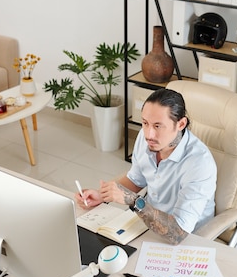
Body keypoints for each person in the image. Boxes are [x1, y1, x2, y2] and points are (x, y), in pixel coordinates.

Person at [76, 87, 217, 244]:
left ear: (181, 124)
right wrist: (101, 196)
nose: (149, 134)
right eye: (145, 123)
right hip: (148, 222)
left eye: (158, 126)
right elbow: (136, 180)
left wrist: (133, 201)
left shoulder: (200, 164)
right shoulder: (146, 140)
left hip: (185, 237)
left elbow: (178, 233)